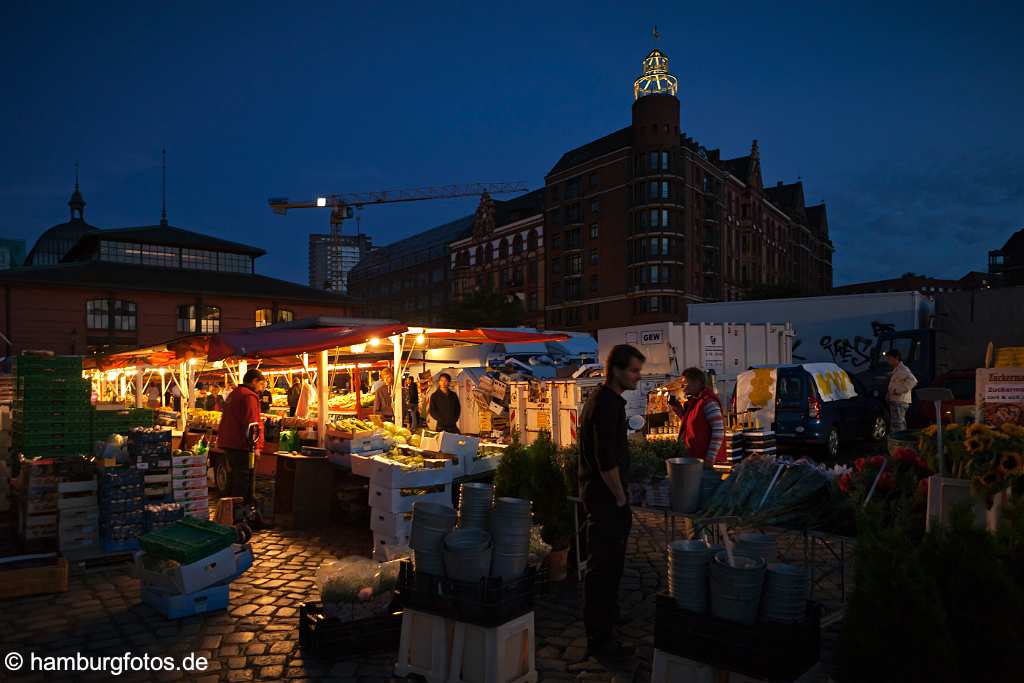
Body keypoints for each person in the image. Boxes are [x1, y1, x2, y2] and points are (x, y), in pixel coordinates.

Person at [578, 344, 645, 660]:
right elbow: (605, 460)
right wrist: (620, 496)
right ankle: (600, 638)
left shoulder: (607, 401)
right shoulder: (606, 405)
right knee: (603, 569)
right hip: (605, 499)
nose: (638, 377)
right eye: (633, 370)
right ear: (616, 370)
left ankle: (609, 617)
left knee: (611, 566)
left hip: (605, 497)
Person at [216, 369, 267, 500]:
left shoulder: (235, 393)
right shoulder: (249, 396)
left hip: (229, 442)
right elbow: (252, 423)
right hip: (241, 445)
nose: (262, 389)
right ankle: (241, 513)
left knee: (236, 478)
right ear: (254, 381)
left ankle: (233, 510)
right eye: (261, 385)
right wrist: (256, 447)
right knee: (245, 481)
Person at [668, 367, 726, 465]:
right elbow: (694, 425)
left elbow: (718, 431)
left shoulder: (708, 402)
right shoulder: (694, 401)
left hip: (704, 461)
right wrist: (680, 411)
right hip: (694, 460)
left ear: (697, 382)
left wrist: (709, 460)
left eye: (685, 383)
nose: (683, 387)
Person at [885, 349, 917, 432]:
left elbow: (913, 381)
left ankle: (901, 440)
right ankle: (897, 441)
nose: (888, 361)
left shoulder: (903, 369)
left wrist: (898, 391)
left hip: (900, 401)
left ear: (896, 358)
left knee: (899, 422)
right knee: (896, 422)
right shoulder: (897, 369)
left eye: (889, 358)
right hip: (896, 400)